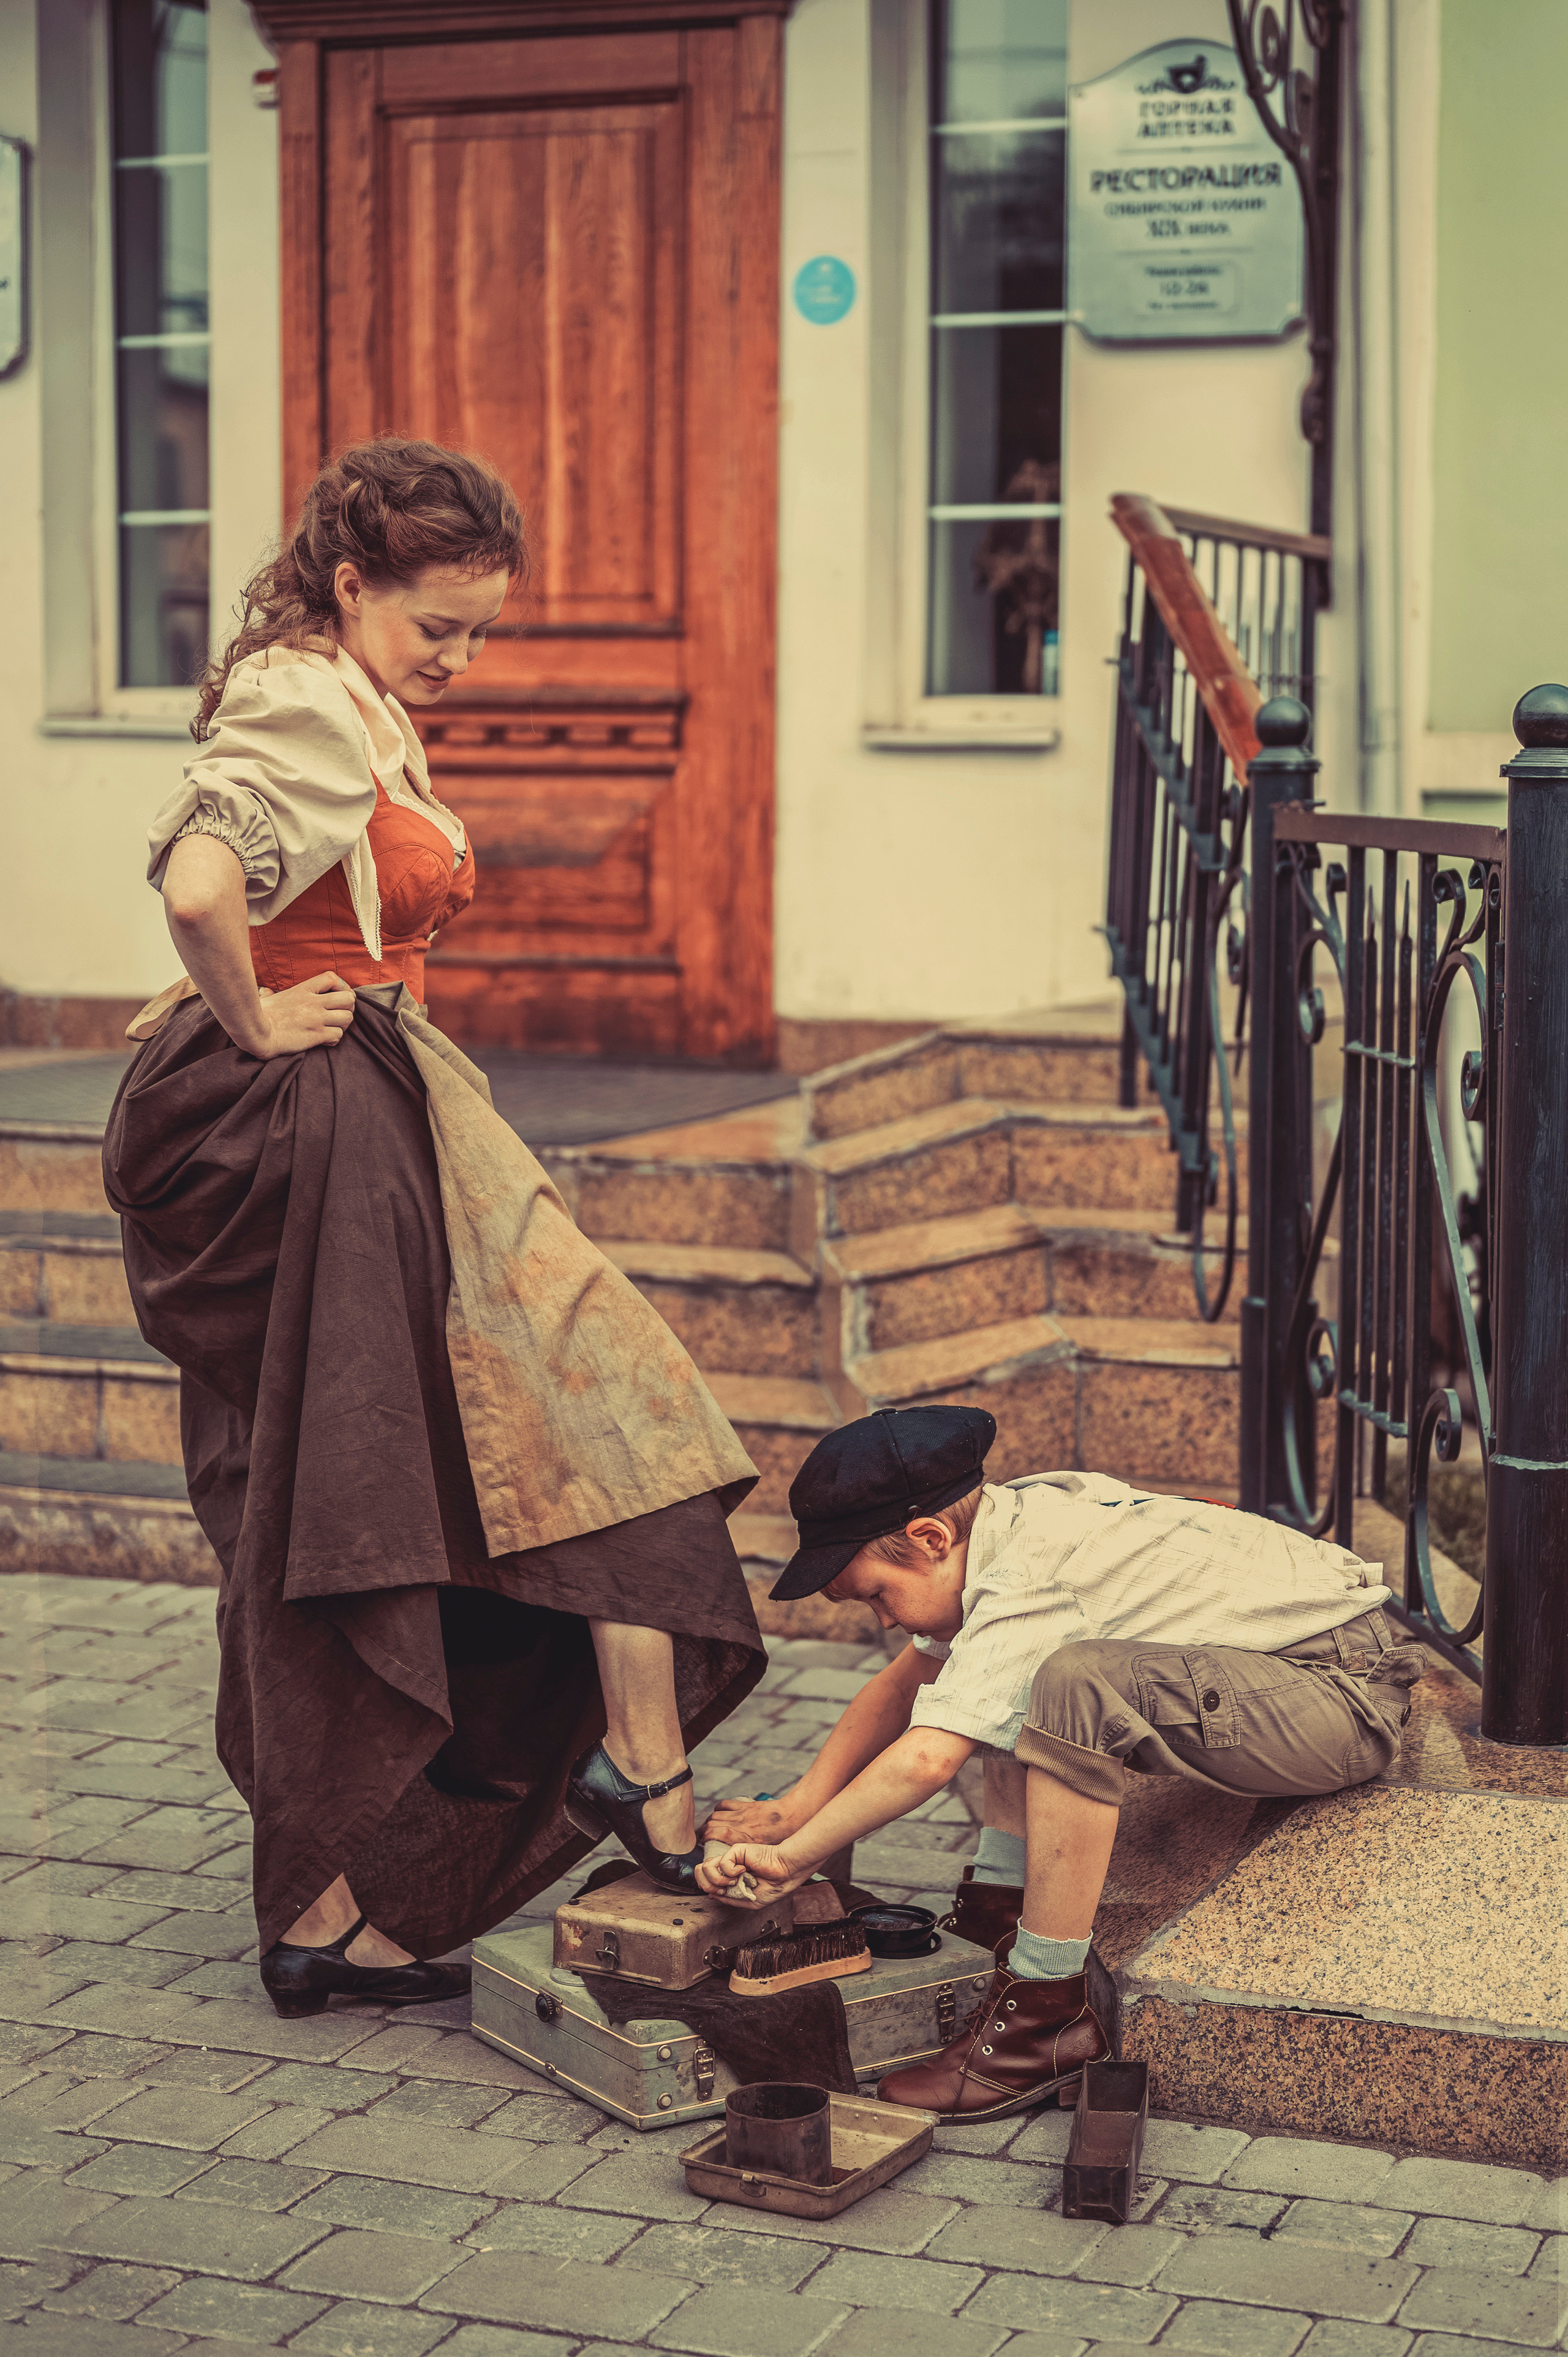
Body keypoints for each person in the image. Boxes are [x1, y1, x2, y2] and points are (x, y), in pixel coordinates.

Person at [104, 438, 766, 2021]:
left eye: (478, 629)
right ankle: (343, 1899)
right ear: (351, 585)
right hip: (307, 1116)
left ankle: (602, 1780)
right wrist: (256, 1016)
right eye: (436, 628)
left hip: (385, 1097)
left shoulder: (353, 695)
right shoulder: (301, 692)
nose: (460, 660)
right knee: (345, 1489)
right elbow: (201, 884)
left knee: (533, 1425)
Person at [699, 1404, 1425, 2121]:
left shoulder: (1033, 1577)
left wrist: (792, 1859)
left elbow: (927, 1760)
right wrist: (795, 1808)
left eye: (877, 1596)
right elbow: (901, 1688)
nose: (884, 1621)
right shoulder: (1005, 1527)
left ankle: (1047, 2016)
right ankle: (998, 1916)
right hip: (1284, 1677)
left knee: (1072, 1683)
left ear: (928, 1537)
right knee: (998, 1678)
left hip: (1342, 1696)